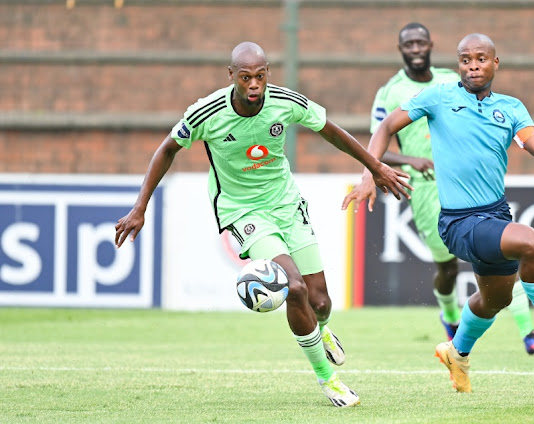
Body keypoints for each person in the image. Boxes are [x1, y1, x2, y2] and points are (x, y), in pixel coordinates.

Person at [114, 41, 412, 407]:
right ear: (231, 77)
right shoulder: (206, 113)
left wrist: (374, 166)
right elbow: (167, 149)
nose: (254, 85)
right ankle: (328, 379)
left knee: (321, 301)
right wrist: (140, 206)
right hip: (243, 211)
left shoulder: (286, 102)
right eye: (245, 78)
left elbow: (331, 131)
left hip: (286, 204)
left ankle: (322, 328)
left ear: (267, 73)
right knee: (295, 288)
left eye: (260, 76)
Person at [344, 33, 534, 393]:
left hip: (494, 213)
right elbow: (386, 126)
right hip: (457, 221)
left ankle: (457, 352)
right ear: (458, 65)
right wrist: (370, 172)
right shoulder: (439, 96)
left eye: (481, 59)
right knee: (530, 242)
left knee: (495, 298)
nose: (473, 66)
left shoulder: (512, 108)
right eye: (466, 60)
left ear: (495, 63)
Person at [371, 22, 534, 355]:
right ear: (401, 50)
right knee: (447, 266)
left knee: (508, 250)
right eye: (408, 44)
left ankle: (530, 332)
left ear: (430, 45)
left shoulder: (451, 82)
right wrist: (401, 163)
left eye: (420, 42)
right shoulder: (390, 92)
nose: (415, 49)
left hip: (471, 188)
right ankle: (451, 318)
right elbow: (379, 140)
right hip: (426, 190)